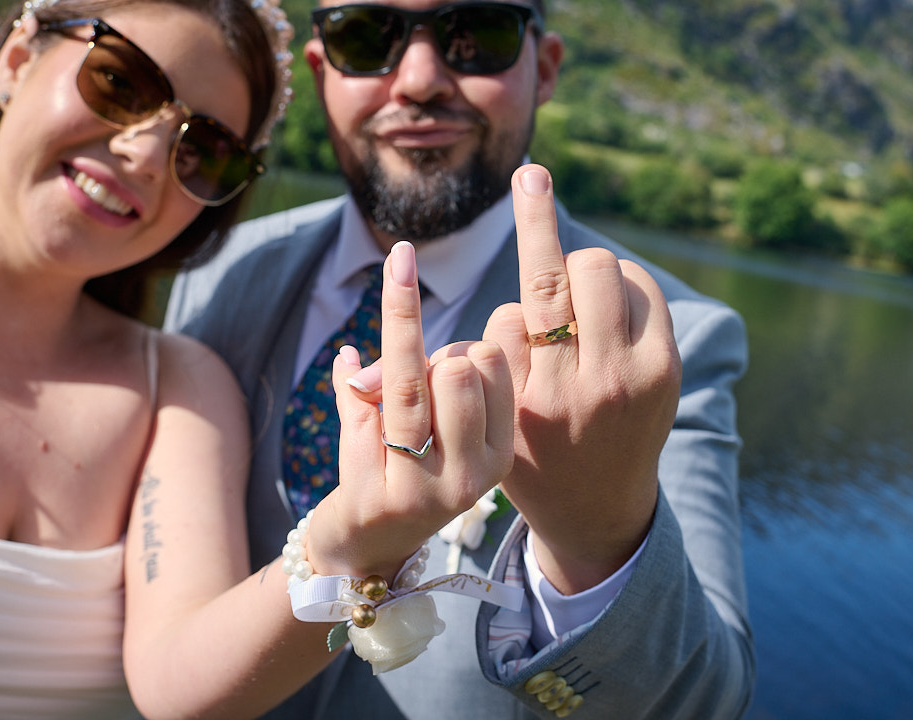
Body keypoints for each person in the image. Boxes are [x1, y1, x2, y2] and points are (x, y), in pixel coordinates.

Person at [165, 0, 756, 718]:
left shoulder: (669, 343)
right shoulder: (217, 271)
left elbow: (705, 702)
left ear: (543, 68)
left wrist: (597, 534)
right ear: (321, 70)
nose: (418, 79)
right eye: (364, 36)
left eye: (476, 34)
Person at [0, 0, 516, 718]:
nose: (147, 155)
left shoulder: (180, 391)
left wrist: (352, 542)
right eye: (120, 83)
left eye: (204, 151)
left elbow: (181, 683)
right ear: (14, 62)